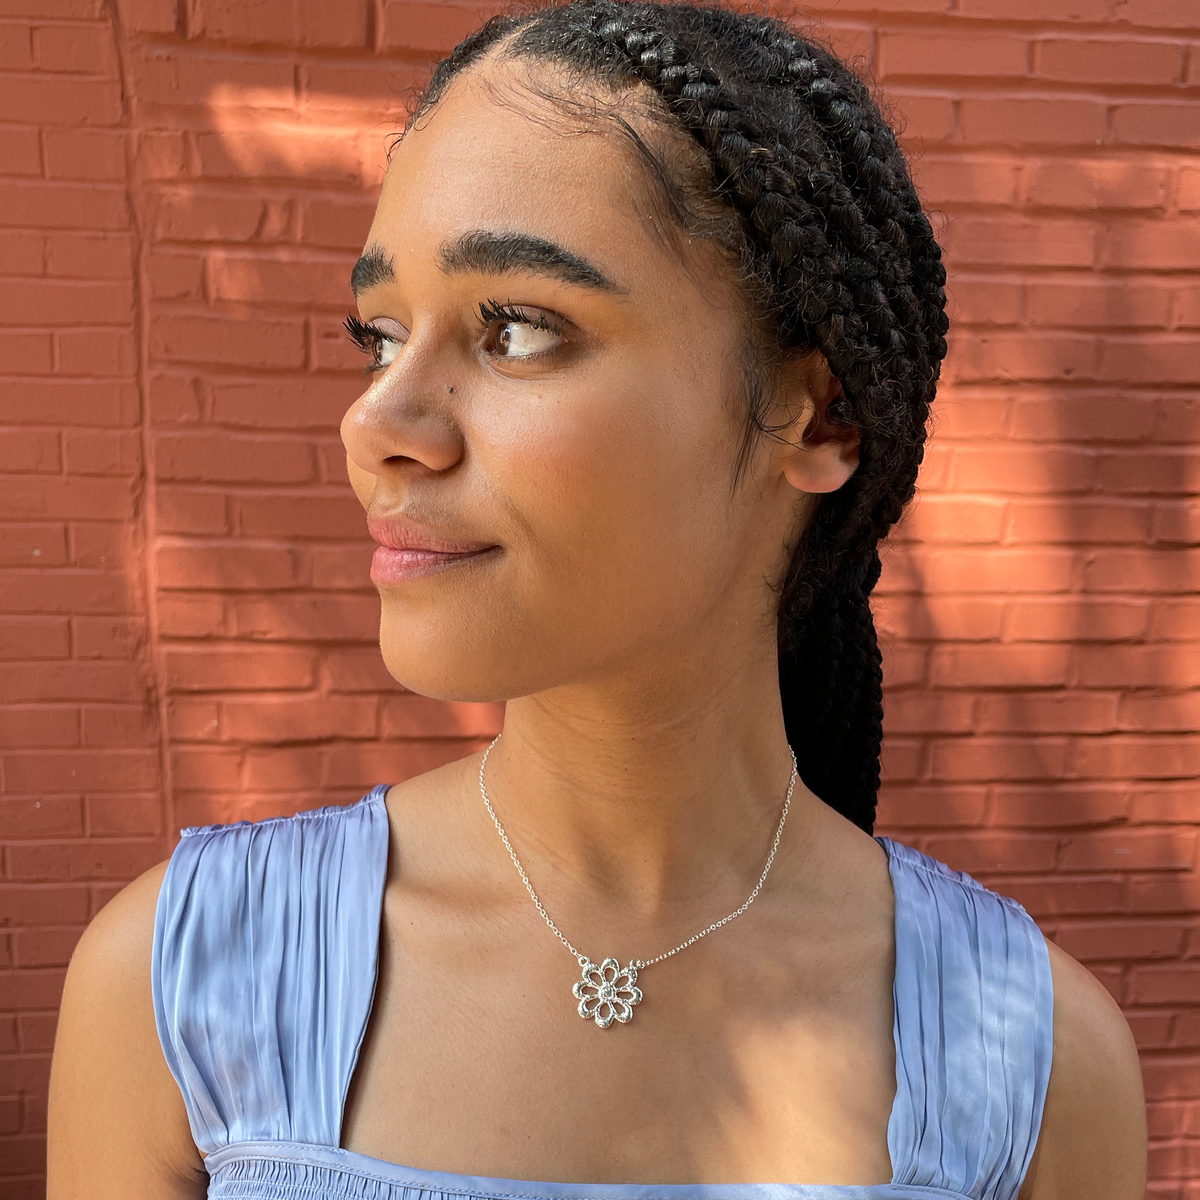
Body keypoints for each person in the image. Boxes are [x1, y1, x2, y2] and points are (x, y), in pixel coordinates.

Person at [46, 2, 1147, 1197]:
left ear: (817, 415)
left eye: (517, 328)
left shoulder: (1035, 1068)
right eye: (380, 332)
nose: (379, 426)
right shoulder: (187, 981)